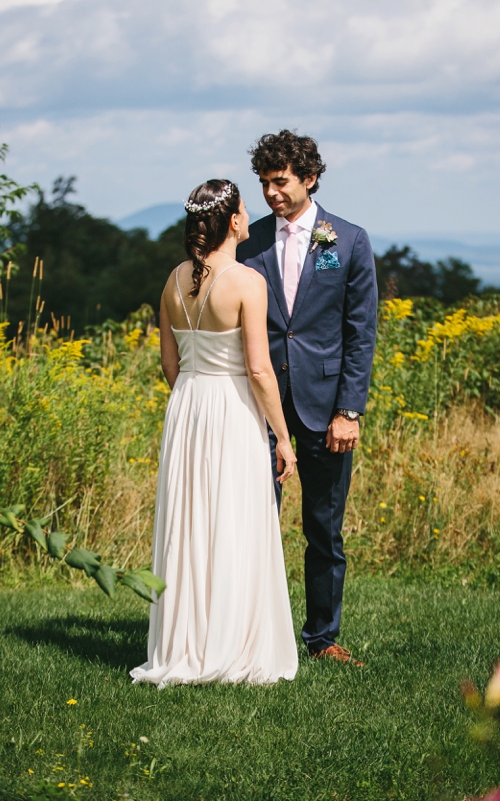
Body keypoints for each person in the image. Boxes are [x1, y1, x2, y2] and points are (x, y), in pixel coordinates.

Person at [130, 179, 300, 687]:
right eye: (245, 210)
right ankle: (230, 645)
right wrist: (283, 438)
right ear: (231, 221)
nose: (250, 218)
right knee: (232, 520)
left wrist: (191, 398)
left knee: (190, 524)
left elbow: (169, 361)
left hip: (187, 405)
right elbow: (260, 371)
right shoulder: (247, 281)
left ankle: (185, 644)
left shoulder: (173, 279)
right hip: (231, 410)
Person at [236, 131, 378, 666]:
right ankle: (253, 639)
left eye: (281, 182)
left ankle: (322, 640)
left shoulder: (348, 240)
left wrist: (348, 411)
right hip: (260, 405)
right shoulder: (247, 244)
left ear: (309, 178)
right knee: (255, 523)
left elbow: (360, 333)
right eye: (265, 183)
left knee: (324, 529)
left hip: (326, 409)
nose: (271, 193)